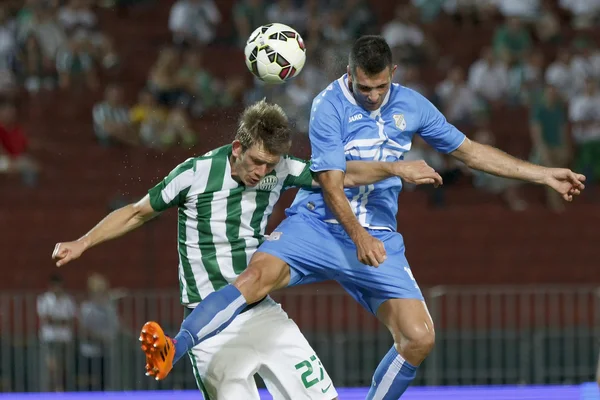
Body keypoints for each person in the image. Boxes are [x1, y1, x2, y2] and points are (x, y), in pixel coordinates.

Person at [145, 36, 587, 399]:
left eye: (379, 87)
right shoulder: (328, 106)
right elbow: (332, 183)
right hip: (318, 223)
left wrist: (543, 174)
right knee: (253, 279)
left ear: (392, 75)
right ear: (350, 75)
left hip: (378, 234)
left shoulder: (413, 106)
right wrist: (357, 234)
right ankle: (173, 347)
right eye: (364, 88)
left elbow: (469, 152)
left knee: (418, 338)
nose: (372, 96)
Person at [51, 99, 443, 399]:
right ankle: (176, 346)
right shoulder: (195, 173)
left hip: (262, 313)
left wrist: (395, 168)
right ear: (237, 147)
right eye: (257, 162)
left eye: (270, 165)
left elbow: (336, 177)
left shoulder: (281, 170)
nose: (262, 173)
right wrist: (82, 242)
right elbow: (137, 213)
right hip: (207, 325)